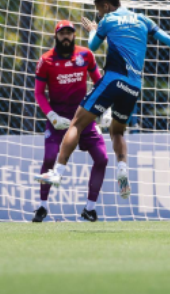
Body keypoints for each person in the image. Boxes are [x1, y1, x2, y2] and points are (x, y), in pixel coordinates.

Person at [35, 0, 170, 199]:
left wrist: (94, 29)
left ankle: (58, 173)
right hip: (134, 87)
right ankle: (123, 170)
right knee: (117, 132)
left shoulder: (108, 20)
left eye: (99, 10)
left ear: (106, 6)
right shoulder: (143, 19)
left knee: (76, 124)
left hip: (114, 79)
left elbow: (92, 46)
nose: (98, 14)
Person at [32, 20, 108, 222]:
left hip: (84, 117)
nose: (66, 36)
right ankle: (42, 206)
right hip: (58, 121)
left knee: (102, 158)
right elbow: (39, 94)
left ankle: (90, 209)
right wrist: (52, 116)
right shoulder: (46, 60)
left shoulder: (85, 55)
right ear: (56, 36)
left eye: (69, 33)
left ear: (74, 35)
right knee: (49, 158)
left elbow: (100, 83)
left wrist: (103, 109)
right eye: (62, 33)